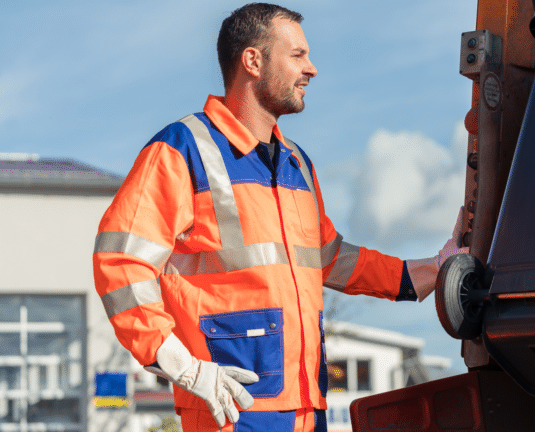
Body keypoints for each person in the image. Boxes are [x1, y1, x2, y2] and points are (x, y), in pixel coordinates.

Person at [92, 3, 465, 432]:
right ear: (253, 60)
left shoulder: (296, 163)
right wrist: (180, 364)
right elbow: (120, 261)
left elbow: (330, 258)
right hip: (231, 407)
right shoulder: (183, 150)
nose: (312, 69)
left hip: (308, 407)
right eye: (298, 55)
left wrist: (434, 270)